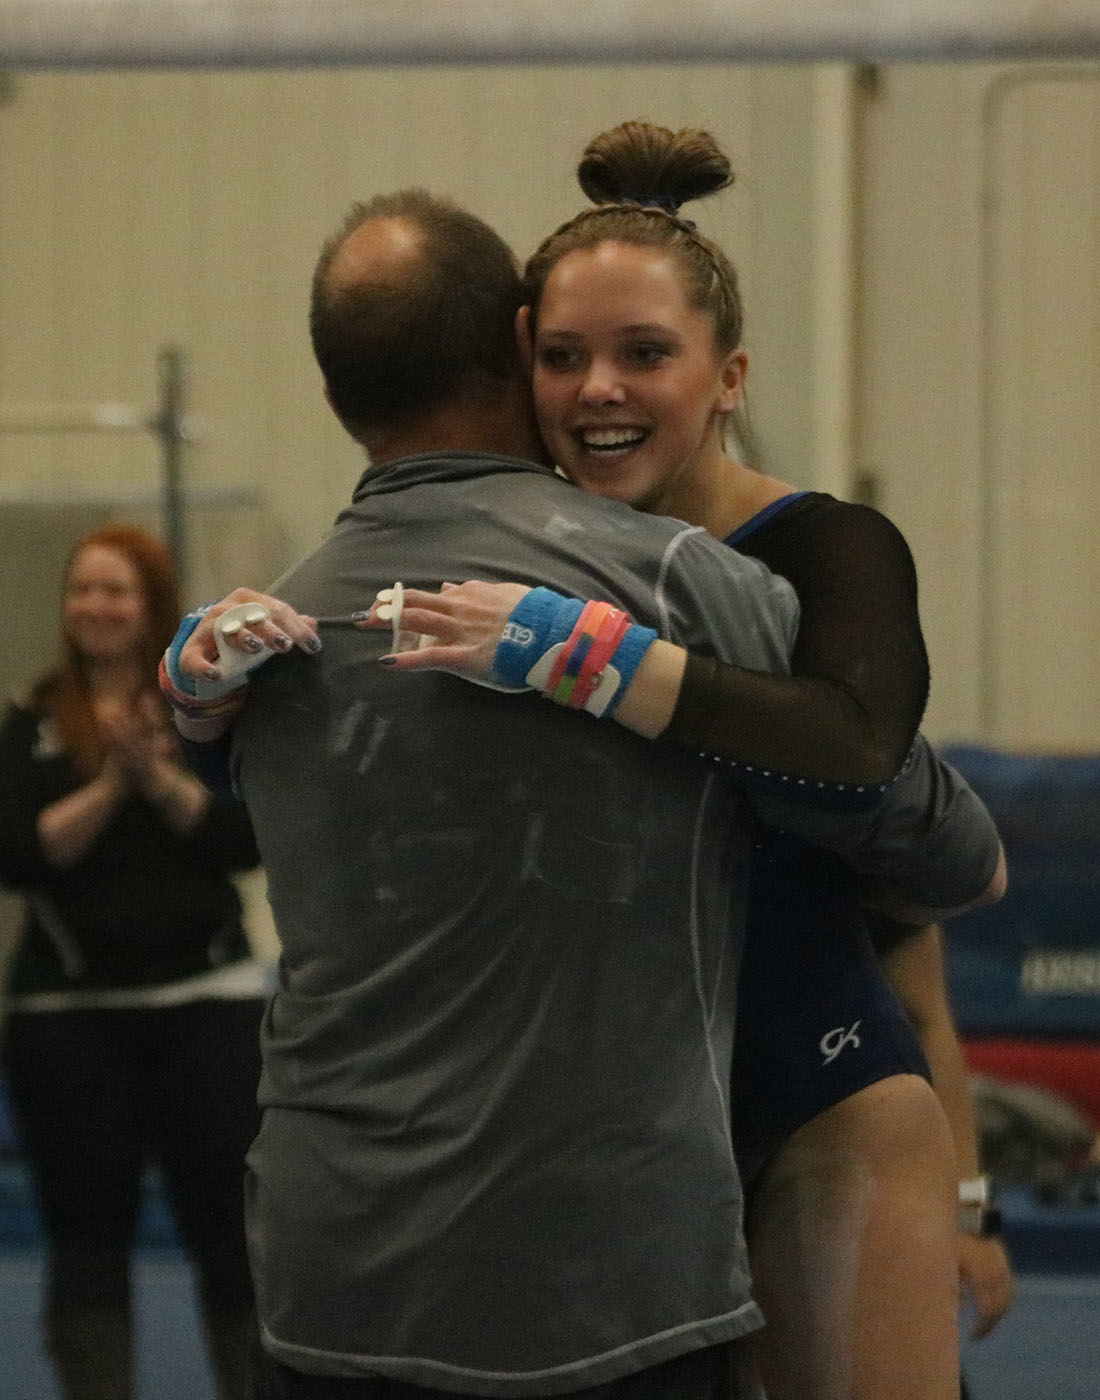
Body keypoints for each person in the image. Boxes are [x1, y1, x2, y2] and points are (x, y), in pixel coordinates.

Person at [161, 190, 1003, 1400]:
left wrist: (612, 665)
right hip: (638, 1127)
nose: (596, 388)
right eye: (564, 356)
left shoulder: (794, 557)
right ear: (516, 356)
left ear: (726, 375)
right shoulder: (506, 573)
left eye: (642, 354)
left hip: (807, 1088)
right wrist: (203, 713)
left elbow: (906, 823)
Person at [0, 524, 266, 1400]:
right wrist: (113, 782)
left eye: (117, 591)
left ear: (152, 605)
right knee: (85, 1240)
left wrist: (160, 778)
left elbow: (245, 840)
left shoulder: (207, 709)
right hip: (69, 1019)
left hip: (207, 1005)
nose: (97, 607)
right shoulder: (29, 720)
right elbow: (19, 856)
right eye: (84, 590)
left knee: (232, 1235)